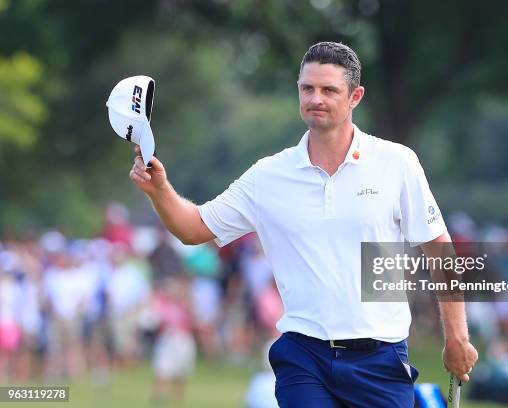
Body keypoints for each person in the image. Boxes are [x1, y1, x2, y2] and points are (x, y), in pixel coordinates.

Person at [129, 41, 478, 407]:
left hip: (381, 358)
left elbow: (440, 249)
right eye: (307, 88)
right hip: (303, 357)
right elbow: (194, 227)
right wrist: (160, 190)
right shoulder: (268, 175)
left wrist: (456, 336)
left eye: (329, 90)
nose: (316, 98)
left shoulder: (397, 162)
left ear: (355, 97)